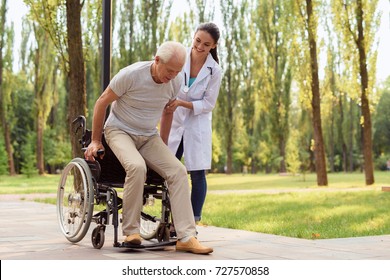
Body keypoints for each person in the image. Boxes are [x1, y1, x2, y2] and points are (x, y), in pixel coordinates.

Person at [84, 41, 213, 254]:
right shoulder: (131, 75)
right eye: (169, 70)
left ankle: (187, 236)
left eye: (178, 71)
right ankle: (131, 232)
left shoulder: (176, 80)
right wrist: (96, 140)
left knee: (178, 171)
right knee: (137, 167)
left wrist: (163, 144)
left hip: (149, 136)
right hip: (119, 130)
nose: (173, 76)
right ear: (157, 60)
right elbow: (101, 102)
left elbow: (168, 111)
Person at [164, 22, 222, 223]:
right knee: (168, 171)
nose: (199, 46)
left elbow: (208, 104)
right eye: (198, 41)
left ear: (213, 46)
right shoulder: (179, 57)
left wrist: (182, 102)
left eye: (206, 44)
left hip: (197, 125)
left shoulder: (215, 71)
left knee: (197, 174)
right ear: (194, 36)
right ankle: (170, 220)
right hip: (174, 122)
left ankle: (192, 222)